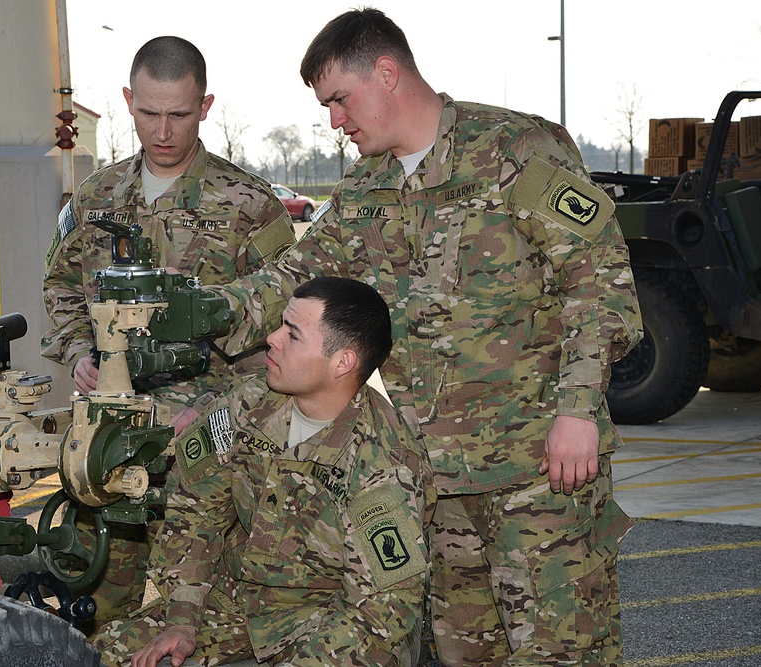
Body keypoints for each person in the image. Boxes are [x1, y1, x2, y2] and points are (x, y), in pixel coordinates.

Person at [204, 9, 643, 667]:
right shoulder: (367, 189)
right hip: (438, 484)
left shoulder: (515, 150)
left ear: (387, 74)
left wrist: (577, 410)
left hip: (539, 470)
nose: (334, 120)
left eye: (340, 100)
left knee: (564, 652)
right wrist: (194, 313)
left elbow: (599, 282)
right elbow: (292, 279)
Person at [40, 36, 296, 624]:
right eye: (148, 113)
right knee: (95, 604)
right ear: (128, 100)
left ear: (205, 107)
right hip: (109, 443)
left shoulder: (249, 205)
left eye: (179, 114)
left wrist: (222, 409)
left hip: (210, 446)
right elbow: (60, 286)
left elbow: (286, 326)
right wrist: (81, 348)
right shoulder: (97, 195)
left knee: (210, 614)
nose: (162, 130)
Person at [95, 276, 434, 667]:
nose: (272, 339)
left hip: (335, 623)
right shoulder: (248, 403)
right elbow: (195, 512)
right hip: (238, 600)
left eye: (292, 334)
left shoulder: (384, 467)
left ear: (342, 362)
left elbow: (383, 610)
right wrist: (182, 621)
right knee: (110, 654)